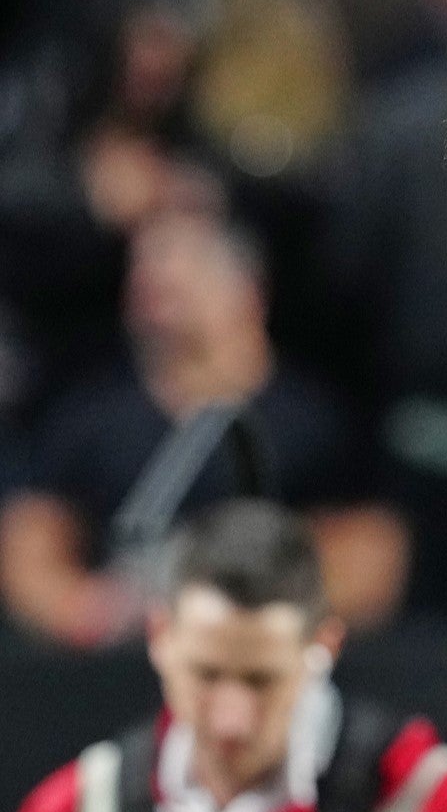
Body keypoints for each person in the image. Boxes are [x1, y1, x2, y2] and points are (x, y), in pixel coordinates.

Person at [0, 210, 404, 646]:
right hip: (125, 662)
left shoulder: (313, 423)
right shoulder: (89, 419)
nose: (158, 294)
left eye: (182, 279)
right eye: (147, 282)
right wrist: (82, 608)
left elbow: (373, 557)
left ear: (248, 292)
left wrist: (259, 612)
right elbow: (30, 540)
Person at [15, 499, 447, 812]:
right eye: (206, 675)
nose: (231, 721)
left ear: (325, 644)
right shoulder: (84, 803)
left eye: (262, 680)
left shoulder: (419, 795)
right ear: (159, 637)